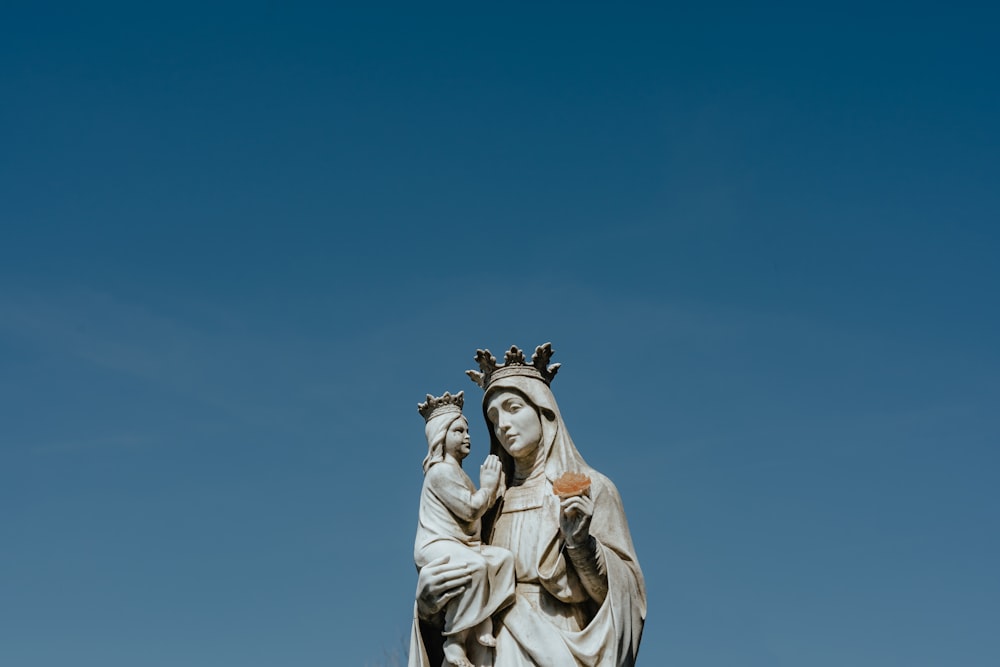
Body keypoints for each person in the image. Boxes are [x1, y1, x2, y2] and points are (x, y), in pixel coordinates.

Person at [410, 345, 646, 667]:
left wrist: (580, 545)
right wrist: (428, 609)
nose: (502, 425)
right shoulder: (489, 504)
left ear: (543, 412)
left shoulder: (591, 489)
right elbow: (459, 582)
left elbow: (625, 596)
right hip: (490, 648)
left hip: (561, 643)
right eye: (493, 418)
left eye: (513, 408)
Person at [414, 391, 516, 667]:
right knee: (476, 567)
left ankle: (482, 618)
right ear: (440, 437)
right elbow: (471, 509)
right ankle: (456, 640)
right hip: (437, 545)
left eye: (468, 430)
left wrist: (493, 491)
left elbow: (476, 513)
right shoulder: (440, 473)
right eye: (459, 431)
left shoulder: (459, 474)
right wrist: (488, 487)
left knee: (503, 560)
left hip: (462, 545)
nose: (467, 435)